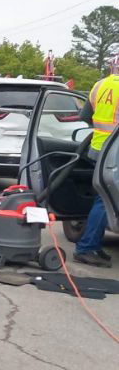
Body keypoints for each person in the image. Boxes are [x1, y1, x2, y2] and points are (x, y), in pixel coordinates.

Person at [74, 72, 118, 267]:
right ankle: (86, 247)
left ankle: (94, 245)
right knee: (105, 200)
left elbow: (85, 116)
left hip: (97, 148)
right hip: (114, 153)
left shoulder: (101, 84)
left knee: (103, 199)